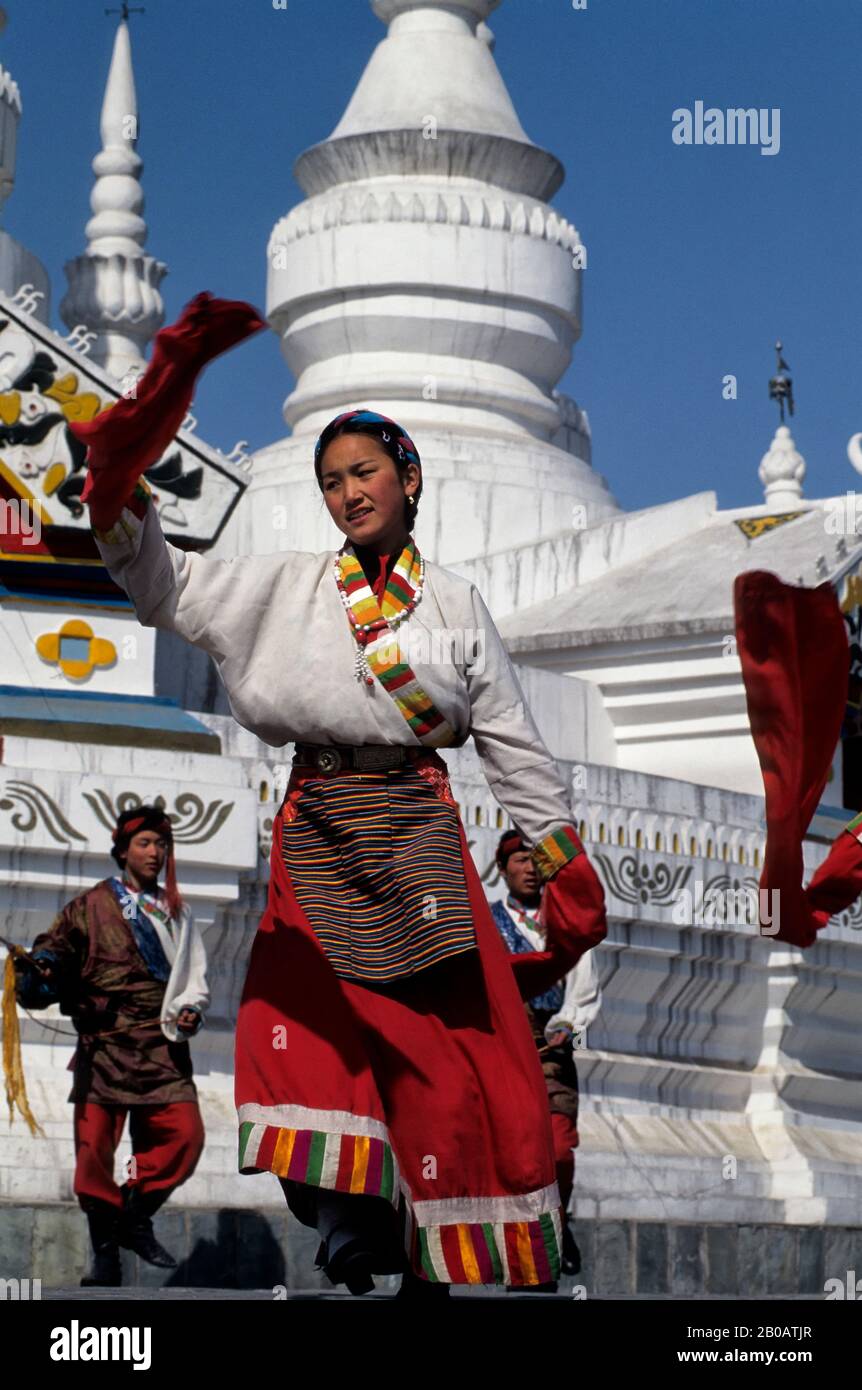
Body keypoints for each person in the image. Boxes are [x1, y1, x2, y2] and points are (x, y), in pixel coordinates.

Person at [79, 292, 607, 1297]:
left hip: (415, 832)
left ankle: (422, 1249)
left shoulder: (452, 606)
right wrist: (119, 490)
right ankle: (348, 1220)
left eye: (363, 472)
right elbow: (168, 591)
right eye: (330, 481)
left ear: (408, 477)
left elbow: (514, 748)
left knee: (433, 1054)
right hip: (318, 826)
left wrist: (562, 859)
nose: (347, 492)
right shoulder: (283, 587)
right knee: (308, 1040)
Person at [14, 805, 209, 1287]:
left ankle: (133, 1216)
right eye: (144, 843)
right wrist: (44, 965)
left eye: (161, 845)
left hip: (161, 1047)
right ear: (123, 851)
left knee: (186, 1136)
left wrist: (190, 1008)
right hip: (102, 1047)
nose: (155, 853)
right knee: (94, 1152)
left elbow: (195, 980)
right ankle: (107, 1258)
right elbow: (54, 951)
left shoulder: (176, 911)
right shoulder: (90, 905)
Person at [490, 829, 601, 1284]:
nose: (529, 868)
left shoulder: (565, 924)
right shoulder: (485, 921)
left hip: (552, 1050)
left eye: (536, 860)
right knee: (511, 1154)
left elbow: (584, 988)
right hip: (501, 1052)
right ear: (502, 869)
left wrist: (567, 1026)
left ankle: (555, 1228)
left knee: (556, 1152)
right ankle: (519, 1255)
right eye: (519, 860)